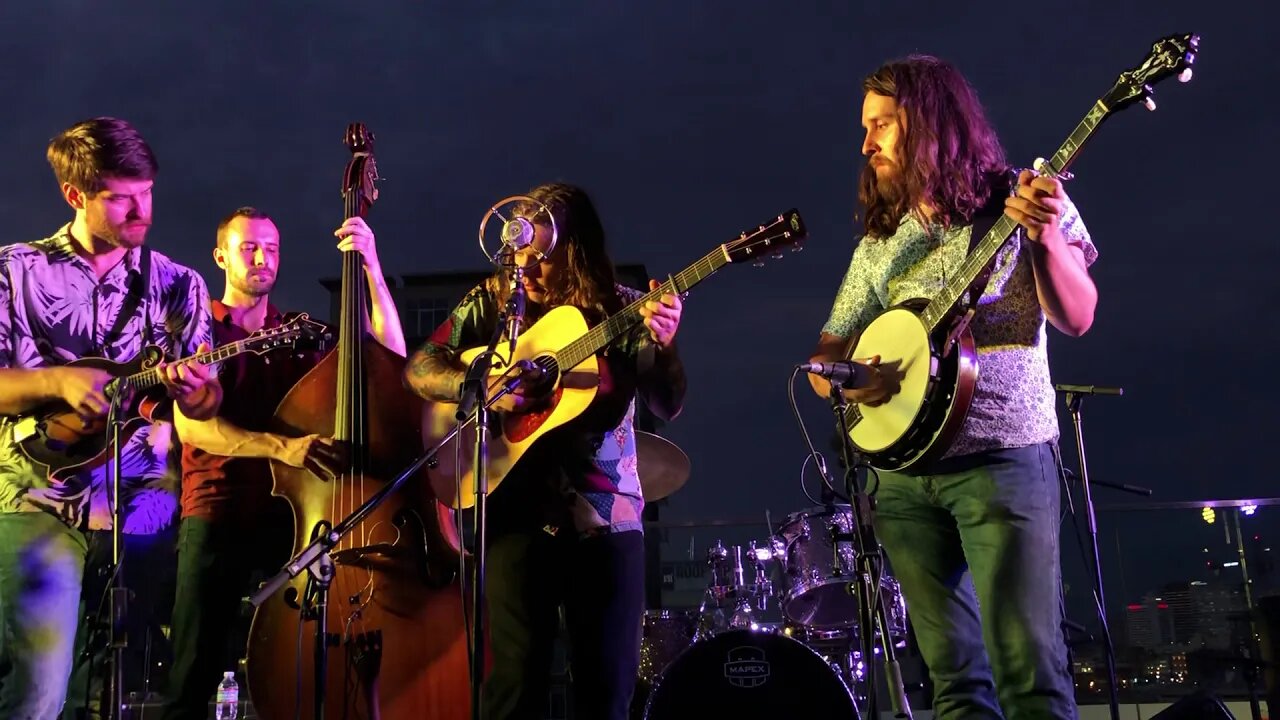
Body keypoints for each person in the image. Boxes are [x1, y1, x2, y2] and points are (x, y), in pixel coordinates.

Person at [809, 55, 1098, 719]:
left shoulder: (1023, 198)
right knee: (954, 684)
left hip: (1004, 460)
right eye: (866, 126)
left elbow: (1079, 315)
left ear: (930, 123)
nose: (867, 142)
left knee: (1030, 673)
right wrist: (852, 378)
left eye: (881, 124)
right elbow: (828, 350)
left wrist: (1047, 236)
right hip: (903, 480)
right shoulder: (882, 243)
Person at [403, 182, 686, 720]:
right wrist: (477, 381)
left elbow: (668, 402)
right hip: (514, 516)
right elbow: (420, 367)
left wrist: (666, 346)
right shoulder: (493, 300)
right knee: (512, 687)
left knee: (605, 693)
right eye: (519, 255)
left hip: (605, 522)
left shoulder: (623, 308)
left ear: (574, 249)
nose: (526, 270)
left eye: (541, 258)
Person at [0, 117, 222, 720]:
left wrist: (199, 391)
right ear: (75, 195)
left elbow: (203, 407)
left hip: (142, 507)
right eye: (121, 197)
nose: (140, 210)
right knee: (38, 690)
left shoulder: (180, 285)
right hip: (37, 496)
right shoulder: (14, 271)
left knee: (119, 691)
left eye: (146, 192)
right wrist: (54, 379)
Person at [159, 206, 406, 720]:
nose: (261, 258)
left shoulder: (296, 333)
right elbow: (193, 428)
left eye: (271, 248)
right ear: (219, 256)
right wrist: (283, 447)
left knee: (300, 665)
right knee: (193, 670)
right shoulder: (196, 333)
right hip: (217, 509)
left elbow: (389, 358)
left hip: (293, 518)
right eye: (248, 247)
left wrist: (373, 268)